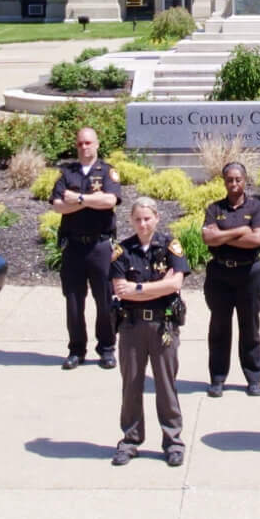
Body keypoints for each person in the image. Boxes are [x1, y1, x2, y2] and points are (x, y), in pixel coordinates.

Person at [109, 197, 191, 467]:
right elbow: (120, 289)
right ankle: (130, 440)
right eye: (137, 219)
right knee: (131, 384)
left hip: (162, 325)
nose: (143, 224)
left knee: (166, 385)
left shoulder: (169, 246)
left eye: (147, 218)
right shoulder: (123, 250)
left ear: (157, 217)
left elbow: (176, 283)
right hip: (132, 327)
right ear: (131, 221)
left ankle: (173, 441)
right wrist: (159, 286)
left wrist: (139, 290)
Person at [48, 126, 123, 369]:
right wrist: (92, 201)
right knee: (73, 301)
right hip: (74, 247)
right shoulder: (66, 173)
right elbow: (58, 206)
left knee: (104, 301)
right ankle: (76, 350)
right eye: (80, 143)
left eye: (88, 143)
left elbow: (110, 201)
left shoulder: (108, 172)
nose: (84, 147)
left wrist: (78, 199)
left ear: (97, 144)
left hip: (100, 245)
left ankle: (107, 348)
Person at [199, 160, 260, 398]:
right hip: (219, 273)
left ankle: (253, 378)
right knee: (219, 326)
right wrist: (240, 231)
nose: (234, 183)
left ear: (245, 180)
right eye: (229, 179)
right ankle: (217, 378)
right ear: (224, 182)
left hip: (249, 273)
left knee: (249, 326)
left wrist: (222, 235)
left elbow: (257, 240)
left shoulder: (257, 207)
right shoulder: (214, 208)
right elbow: (208, 239)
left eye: (238, 179)